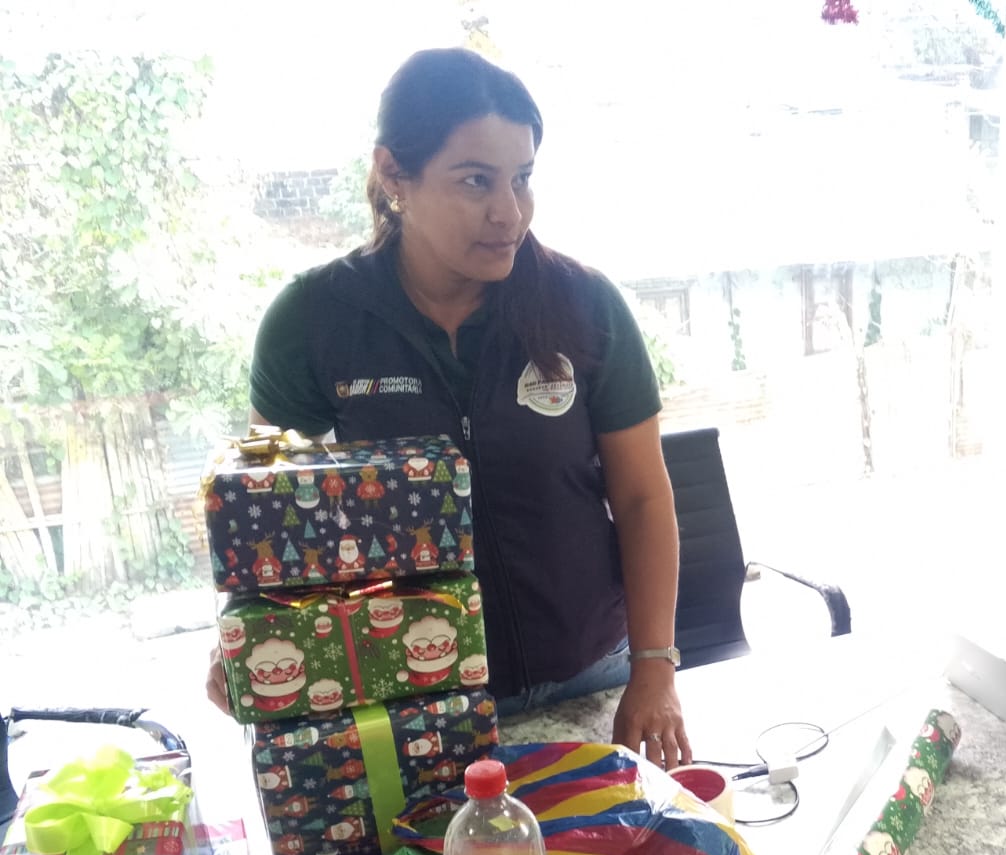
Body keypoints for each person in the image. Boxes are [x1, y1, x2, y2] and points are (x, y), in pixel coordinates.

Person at [205, 47, 690, 769]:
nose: (508, 212)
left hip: (592, 673)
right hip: (413, 693)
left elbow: (644, 497)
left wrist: (654, 666)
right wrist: (246, 634)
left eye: (522, 178)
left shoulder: (583, 305)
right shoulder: (314, 320)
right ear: (394, 174)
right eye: (475, 181)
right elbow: (272, 520)